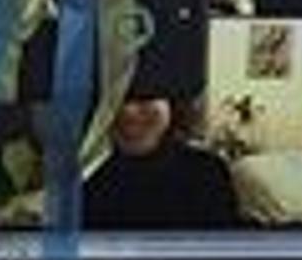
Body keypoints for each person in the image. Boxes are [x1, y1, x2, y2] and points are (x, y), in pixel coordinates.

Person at [81, 96, 241, 229]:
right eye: (118, 99)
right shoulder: (80, 175)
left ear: (171, 104)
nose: (128, 110)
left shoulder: (206, 173)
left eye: (146, 98)